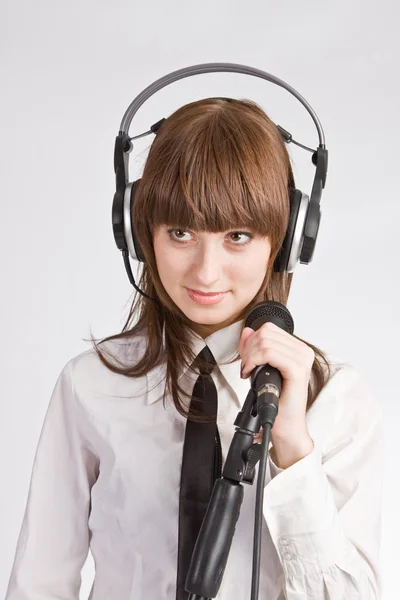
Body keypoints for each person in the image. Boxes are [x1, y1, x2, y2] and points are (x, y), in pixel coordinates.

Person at [5, 97, 384, 599]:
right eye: (181, 232)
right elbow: (39, 583)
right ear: (141, 234)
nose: (206, 272)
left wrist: (293, 449)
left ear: (286, 240)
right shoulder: (90, 384)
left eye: (238, 236)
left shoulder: (337, 400)